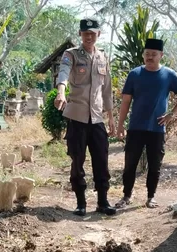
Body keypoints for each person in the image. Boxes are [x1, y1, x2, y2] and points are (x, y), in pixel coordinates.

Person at [115, 38, 177, 209]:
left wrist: (172, 113)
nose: (150, 57)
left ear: (161, 55)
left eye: (153, 54)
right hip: (135, 127)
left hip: (157, 128)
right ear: (143, 55)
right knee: (130, 164)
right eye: (147, 54)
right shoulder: (134, 74)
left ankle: (151, 197)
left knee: (155, 165)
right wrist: (120, 125)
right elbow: (126, 101)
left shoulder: (169, 75)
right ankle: (126, 196)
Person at [54, 18, 117, 216]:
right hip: (78, 118)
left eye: (92, 33)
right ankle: (81, 203)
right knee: (77, 160)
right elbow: (63, 73)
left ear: (98, 34)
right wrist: (61, 92)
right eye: (85, 33)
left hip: (97, 118)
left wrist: (111, 118)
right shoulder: (71, 55)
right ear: (80, 35)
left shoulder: (102, 57)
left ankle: (103, 202)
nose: (89, 36)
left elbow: (107, 90)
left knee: (101, 160)